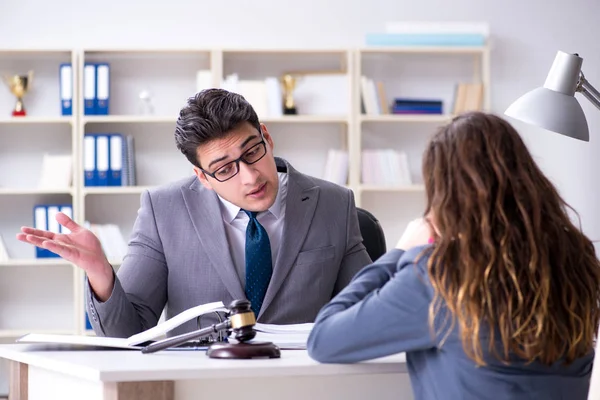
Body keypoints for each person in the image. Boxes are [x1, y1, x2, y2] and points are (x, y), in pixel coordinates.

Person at [17, 88, 372, 339]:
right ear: (202, 176)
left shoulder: (333, 204)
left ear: (266, 136)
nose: (250, 177)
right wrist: (100, 273)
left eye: (252, 152)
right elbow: (129, 333)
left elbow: (369, 313)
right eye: (224, 169)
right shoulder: (164, 210)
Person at [306, 112, 600, 400]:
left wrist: (399, 252)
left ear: (445, 196)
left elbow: (323, 339)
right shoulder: (577, 260)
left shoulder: (440, 276)